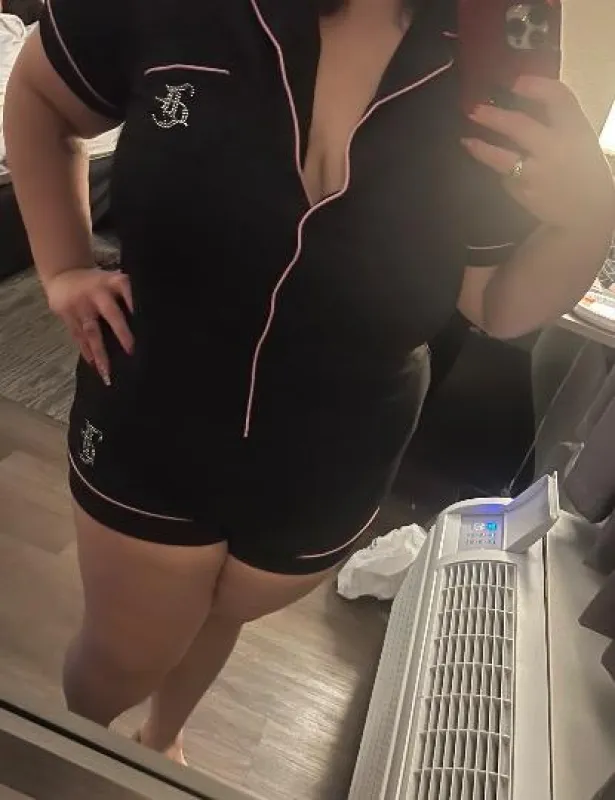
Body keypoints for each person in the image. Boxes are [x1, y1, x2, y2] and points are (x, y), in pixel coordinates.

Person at [5, 0, 614, 766]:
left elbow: (497, 303)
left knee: (218, 616)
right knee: (123, 657)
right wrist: (62, 265)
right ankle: (72, 761)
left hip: (335, 450)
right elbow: (41, 95)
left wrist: (589, 216)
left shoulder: (488, 49)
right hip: (156, 415)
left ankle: (162, 737)